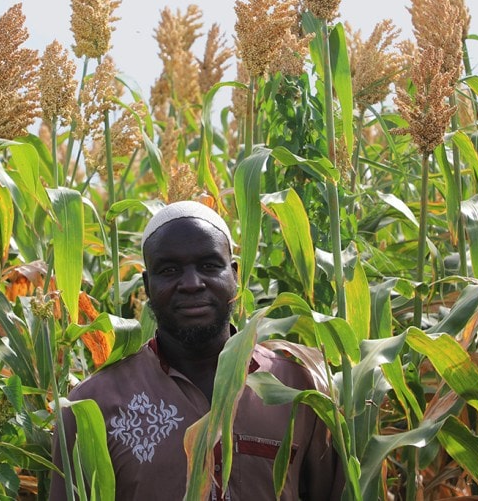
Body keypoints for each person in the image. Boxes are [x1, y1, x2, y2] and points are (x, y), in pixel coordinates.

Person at [50, 201, 343, 500]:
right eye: (170, 269)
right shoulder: (92, 406)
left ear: (235, 275)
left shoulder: (300, 389)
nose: (191, 283)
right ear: (147, 285)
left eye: (208, 266)